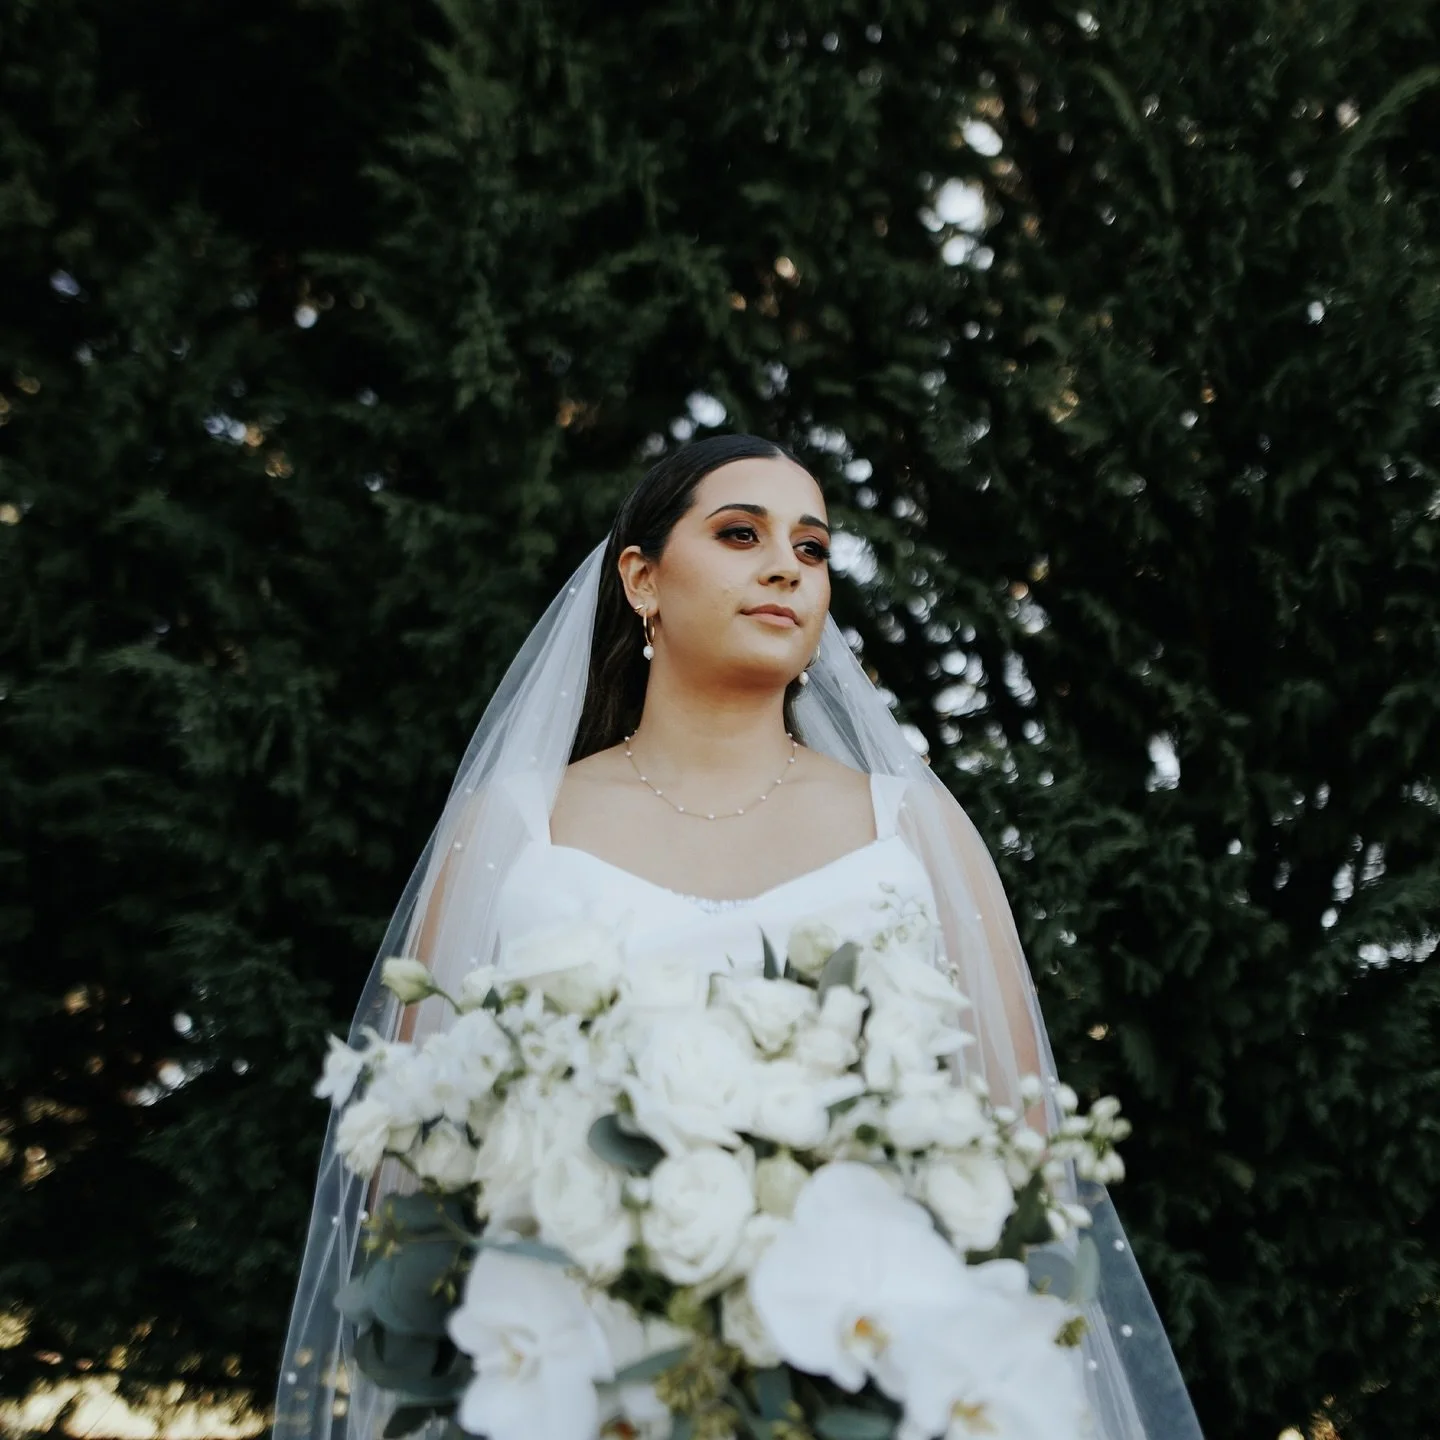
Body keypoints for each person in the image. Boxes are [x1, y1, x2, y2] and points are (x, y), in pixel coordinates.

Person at [273, 435, 1204, 1440]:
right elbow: (415, 1155)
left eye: (812, 551)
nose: (784, 568)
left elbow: (1017, 1160)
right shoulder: (515, 823)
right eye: (739, 534)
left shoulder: (914, 831)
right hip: (574, 1389)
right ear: (642, 579)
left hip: (862, 1388)